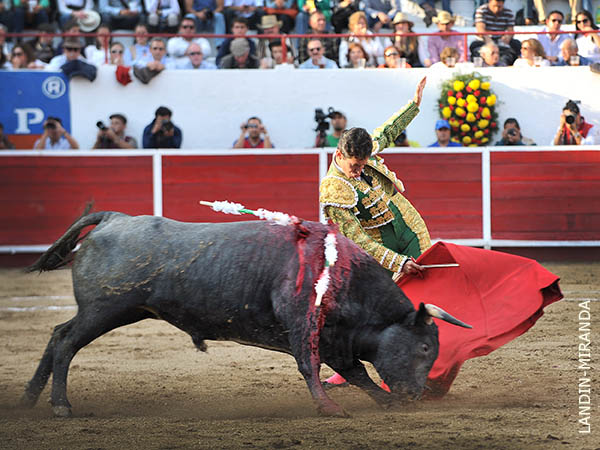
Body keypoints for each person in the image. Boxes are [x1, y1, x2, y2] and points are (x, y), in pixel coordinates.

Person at [318, 76, 562, 394]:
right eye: (355, 166)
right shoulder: (333, 188)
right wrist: (398, 262)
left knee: (429, 296)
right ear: (339, 155)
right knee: (368, 311)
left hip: (408, 229)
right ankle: (349, 368)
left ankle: (434, 366)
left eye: (363, 164)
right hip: (377, 249)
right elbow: (358, 239)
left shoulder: (363, 153)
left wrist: (414, 104)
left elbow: (387, 131)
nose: (360, 170)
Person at [470, 0, 521, 66]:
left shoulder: (508, 12)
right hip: (485, 40)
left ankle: (510, 63)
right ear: (489, 2)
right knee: (474, 46)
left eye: (499, 7)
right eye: (494, 6)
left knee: (516, 44)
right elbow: (480, 30)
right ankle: (480, 64)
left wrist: (507, 37)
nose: (496, 9)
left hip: (500, 40)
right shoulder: (482, 10)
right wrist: (488, 40)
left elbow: (511, 31)